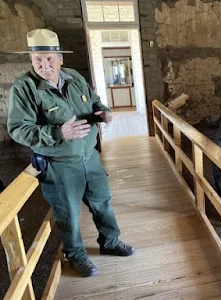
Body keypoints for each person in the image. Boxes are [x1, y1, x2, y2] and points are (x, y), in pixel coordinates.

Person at [7, 29, 134, 277]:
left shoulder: (74, 77)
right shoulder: (25, 88)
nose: (44, 65)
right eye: (37, 60)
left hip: (90, 157)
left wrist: (104, 111)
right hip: (59, 164)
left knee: (103, 203)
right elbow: (18, 130)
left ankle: (110, 242)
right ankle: (76, 256)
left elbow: (95, 101)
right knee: (68, 215)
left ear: (60, 59)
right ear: (31, 61)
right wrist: (58, 133)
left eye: (49, 59)